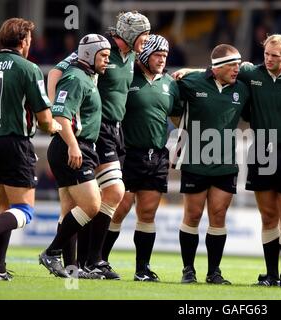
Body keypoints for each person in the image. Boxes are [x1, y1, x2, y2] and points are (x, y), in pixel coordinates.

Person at [47, 11, 151, 279]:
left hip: (116, 131)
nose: (147, 39)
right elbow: (58, 71)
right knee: (112, 192)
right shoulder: (100, 49)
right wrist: (55, 115)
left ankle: (78, 264)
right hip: (95, 130)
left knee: (79, 203)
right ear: (129, 34)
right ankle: (89, 260)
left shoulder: (131, 57)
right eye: (144, 34)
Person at [99, 35, 182, 282]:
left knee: (147, 213)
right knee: (119, 209)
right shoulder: (128, 77)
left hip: (156, 155)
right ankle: (99, 261)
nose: (162, 59)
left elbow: (178, 118)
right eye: (158, 55)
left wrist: (181, 145)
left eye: (165, 56)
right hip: (128, 152)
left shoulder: (170, 83)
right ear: (145, 55)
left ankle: (142, 269)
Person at [237, 34, 281, 287]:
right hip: (261, 149)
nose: (268, 59)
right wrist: (185, 71)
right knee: (268, 216)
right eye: (266, 53)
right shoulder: (251, 74)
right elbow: (221, 66)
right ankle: (270, 274)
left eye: (274, 55)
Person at [175, 44, 250, 284]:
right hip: (195, 161)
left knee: (218, 215)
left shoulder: (243, 88)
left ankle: (213, 272)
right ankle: (188, 270)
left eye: (238, 65)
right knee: (193, 215)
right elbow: (168, 92)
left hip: (226, 163)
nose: (236, 70)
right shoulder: (191, 82)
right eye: (231, 65)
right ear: (216, 68)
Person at [39, 34, 111, 278]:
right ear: (89, 56)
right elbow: (60, 114)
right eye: (103, 56)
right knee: (91, 205)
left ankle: (72, 269)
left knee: (69, 210)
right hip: (71, 147)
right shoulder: (76, 78)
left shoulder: (88, 76)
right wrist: (73, 146)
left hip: (79, 146)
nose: (107, 61)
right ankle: (51, 252)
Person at [0, 17, 61, 280]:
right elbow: (46, 121)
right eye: (30, 40)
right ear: (24, 41)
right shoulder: (28, 69)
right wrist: (60, 128)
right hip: (14, 143)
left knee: (3, 208)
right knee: (24, 210)